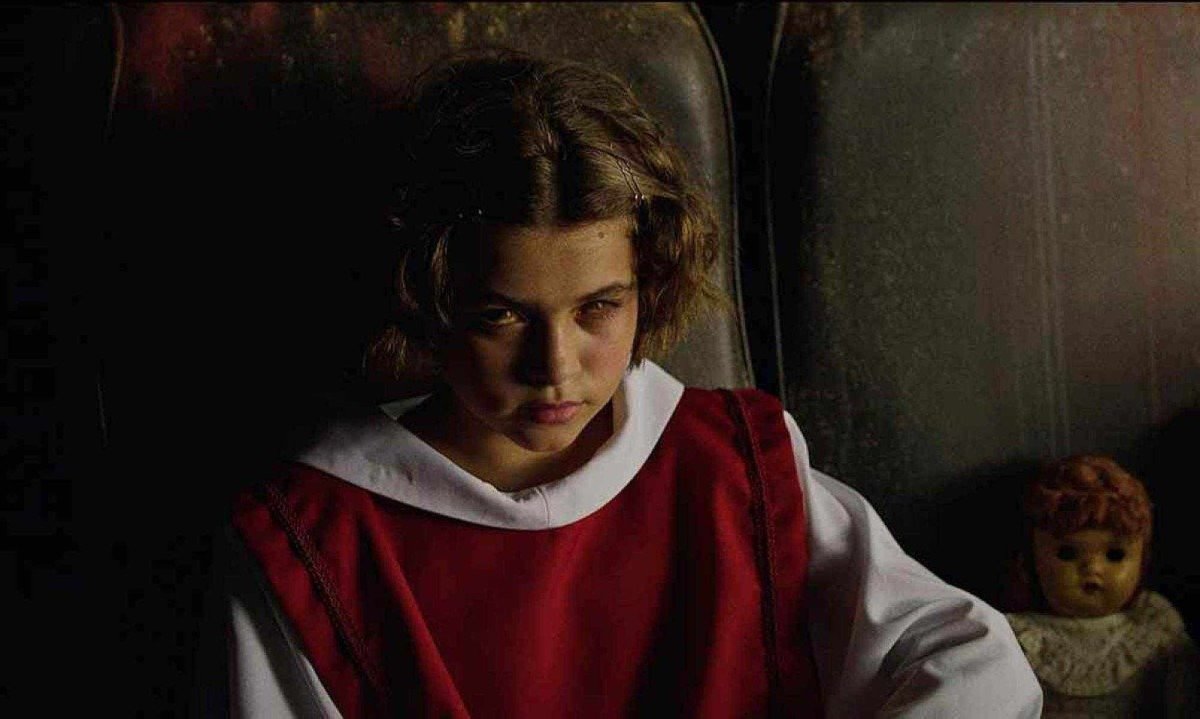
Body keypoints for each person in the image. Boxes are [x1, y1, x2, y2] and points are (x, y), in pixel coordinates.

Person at [214, 50, 1041, 718]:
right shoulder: (310, 541)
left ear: (649, 285)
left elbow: (974, 660)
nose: (556, 366)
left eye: (598, 308)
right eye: (500, 315)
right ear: (426, 300)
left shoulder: (736, 464)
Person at [1005, 455, 1198, 717]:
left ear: (1142, 560)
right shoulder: (1017, 639)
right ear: (1032, 559)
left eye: (1115, 555)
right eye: (1067, 554)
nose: (1092, 568)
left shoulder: (1156, 632)